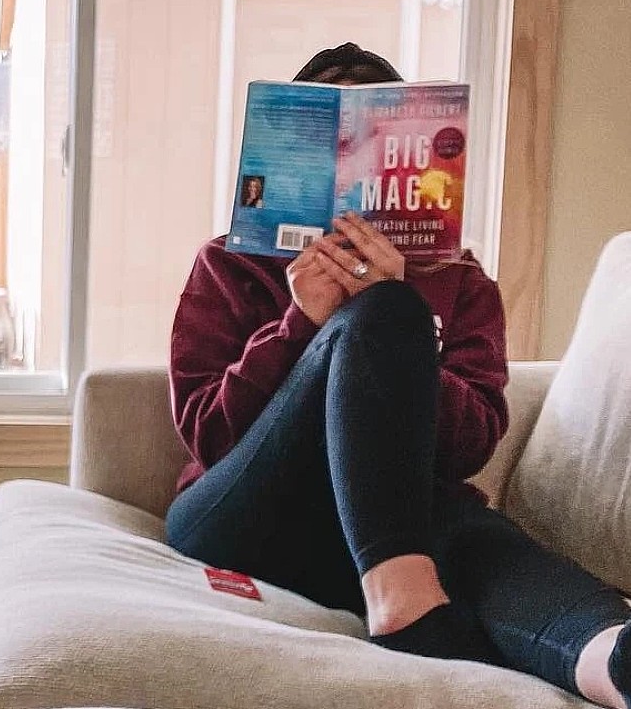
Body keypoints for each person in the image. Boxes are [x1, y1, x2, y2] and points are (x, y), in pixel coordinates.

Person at [165, 42, 631, 707]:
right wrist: (303, 323)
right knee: (383, 312)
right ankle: (399, 599)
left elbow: (469, 448)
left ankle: (608, 657)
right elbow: (210, 437)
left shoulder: (458, 278)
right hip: (244, 518)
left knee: (487, 547)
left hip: (401, 514)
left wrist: (398, 321)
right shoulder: (228, 264)